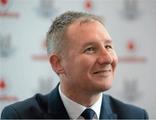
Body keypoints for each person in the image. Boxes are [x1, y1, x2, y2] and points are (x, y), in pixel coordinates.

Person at [1, 11, 148, 119]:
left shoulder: (136, 116)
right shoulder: (18, 116)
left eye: (108, 47)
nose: (107, 58)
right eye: (90, 49)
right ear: (58, 64)